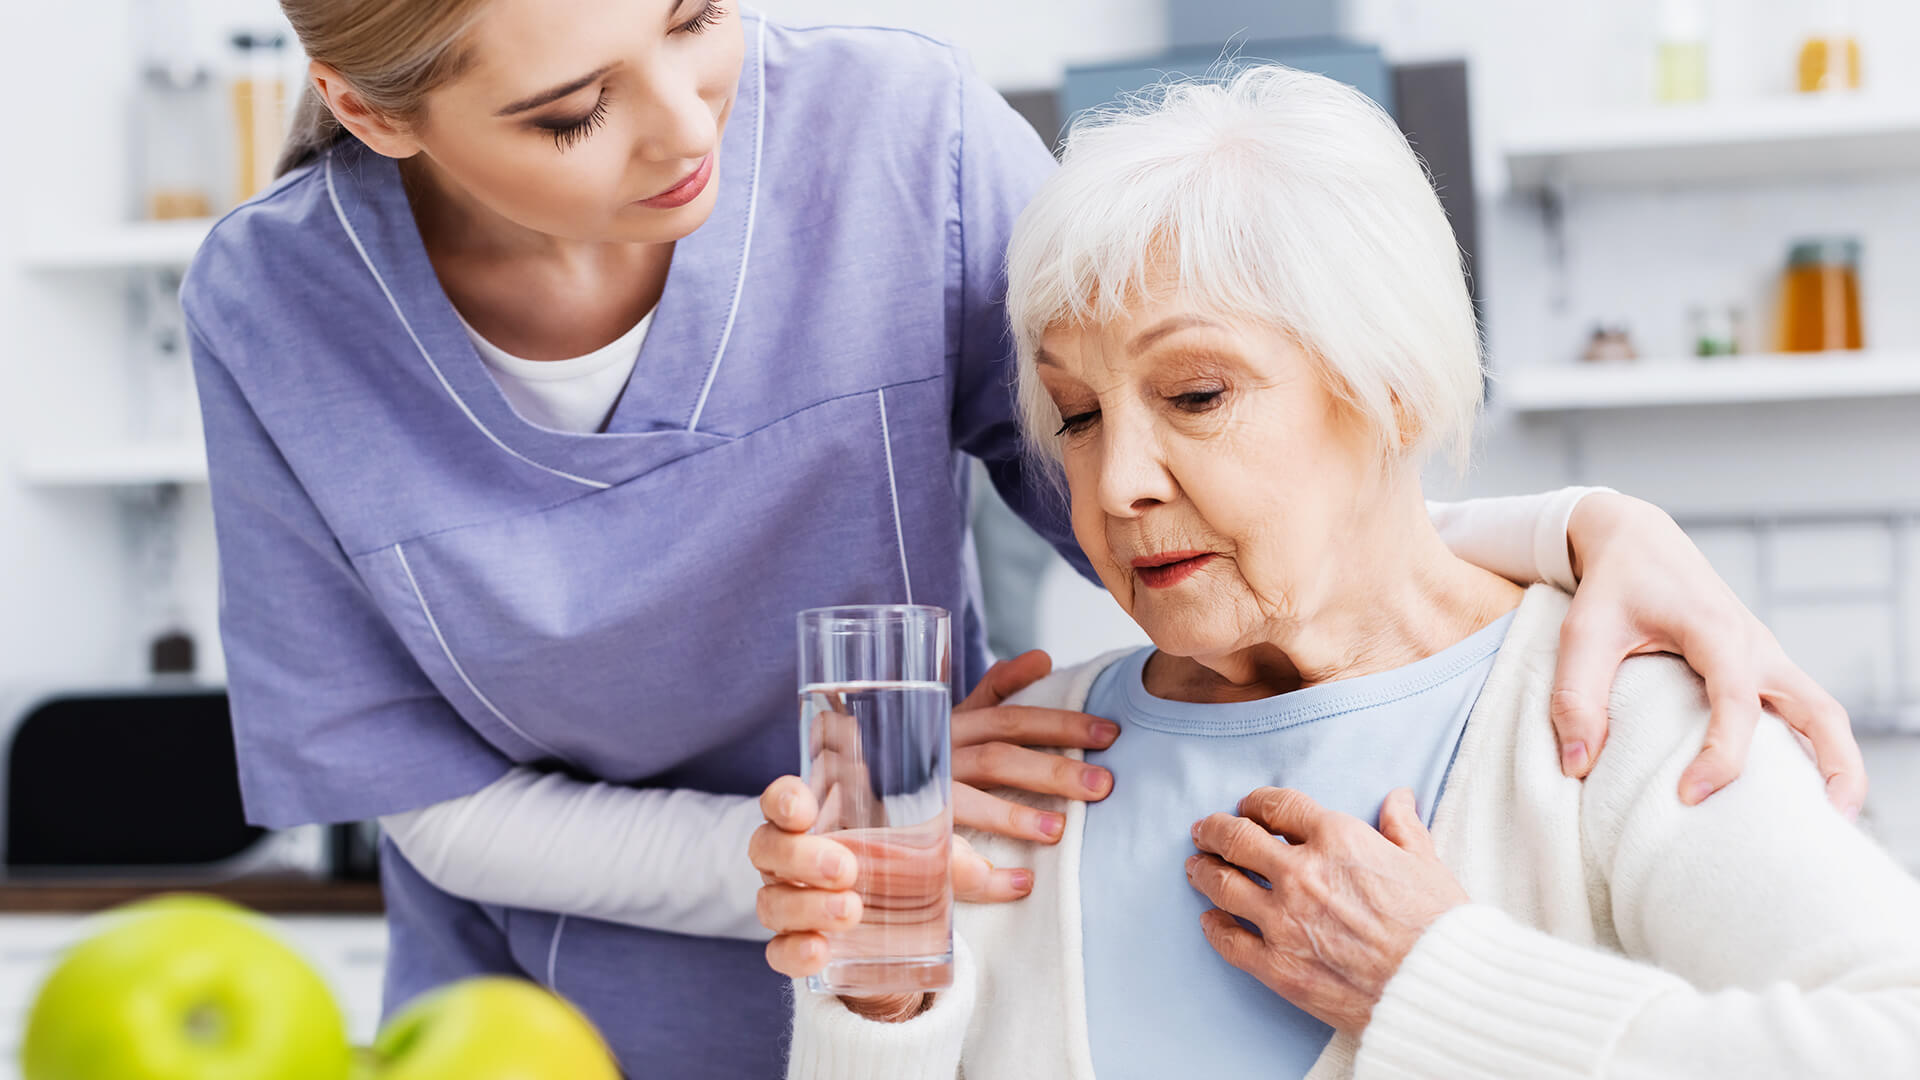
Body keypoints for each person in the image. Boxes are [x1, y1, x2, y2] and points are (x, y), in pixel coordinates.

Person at [181, 3, 1861, 1074]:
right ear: (379, 112)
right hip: (555, 1010)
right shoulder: (276, 305)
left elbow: (1223, 466)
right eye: (565, 113)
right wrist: (879, 862)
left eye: (697, 14)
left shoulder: (899, 143)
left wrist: (1576, 534)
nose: (695, 128)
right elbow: (418, 797)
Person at [754, 66, 1920, 1079]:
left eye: (1195, 395)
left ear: (1392, 384)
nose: (1114, 487)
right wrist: (877, 1006)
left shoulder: (1611, 715)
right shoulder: (1016, 767)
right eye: (1076, 416)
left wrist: (1442, 985)